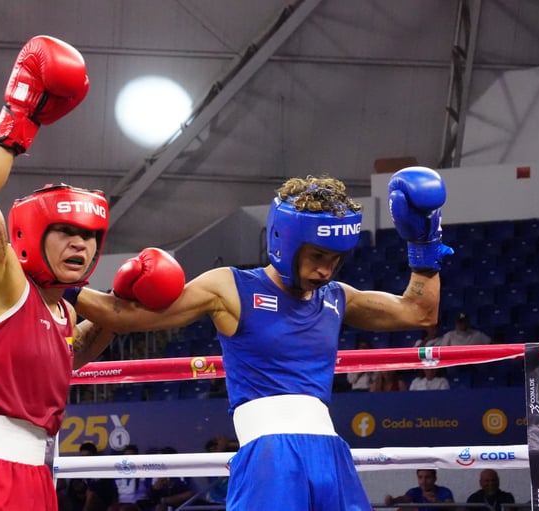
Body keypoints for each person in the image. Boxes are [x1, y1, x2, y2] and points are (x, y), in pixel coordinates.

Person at [73, 168, 451, 510]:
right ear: (286, 242)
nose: (325, 270)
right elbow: (123, 317)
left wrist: (423, 244)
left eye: (335, 259)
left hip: (330, 453)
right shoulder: (229, 287)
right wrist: (61, 282)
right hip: (271, 455)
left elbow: (419, 313)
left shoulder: (336, 296)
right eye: (317, 256)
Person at [0, 35, 184, 511]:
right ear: (32, 235)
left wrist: (120, 305)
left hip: (35, 473)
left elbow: (73, 353)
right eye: (65, 231)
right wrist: (20, 115)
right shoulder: (1, 282)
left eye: (88, 236)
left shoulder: (64, 313)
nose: (79, 244)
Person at [60, 442, 118, 511]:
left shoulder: (102, 471)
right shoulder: (77, 472)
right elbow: (71, 492)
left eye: (87, 456)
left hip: (99, 502)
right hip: (79, 503)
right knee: (58, 496)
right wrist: (79, 493)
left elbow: (108, 494)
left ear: (94, 456)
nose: (84, 459)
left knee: (90, 494)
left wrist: (87, 492)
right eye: (82, 457)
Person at [384, 469, 455, 511]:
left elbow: (452, 507)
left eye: (428, 477)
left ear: (435, 478)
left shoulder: (444, 491)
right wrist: (393, 500)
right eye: (420, 477)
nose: (423, 481)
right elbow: (404, 498)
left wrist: (437, 502)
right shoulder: (414, 491)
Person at [112, 444, 152, 511]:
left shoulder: (143, 472)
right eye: (126, 456)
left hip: (138, 503)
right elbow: (114, 493)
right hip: (121, 503)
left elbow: (150, 491)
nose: (129, 459)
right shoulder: (117, 474)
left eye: (131, 456)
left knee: (124, 509)